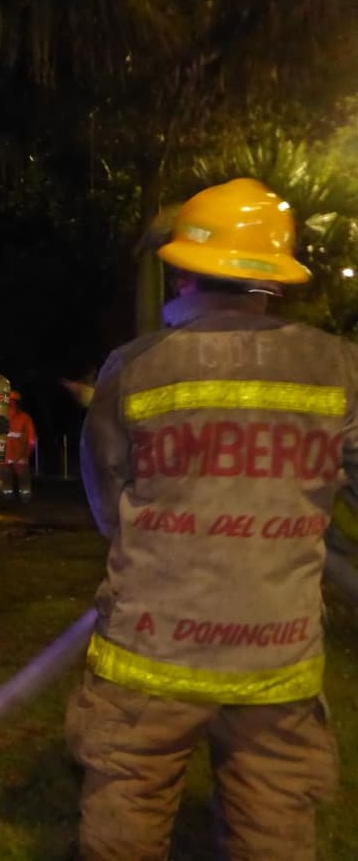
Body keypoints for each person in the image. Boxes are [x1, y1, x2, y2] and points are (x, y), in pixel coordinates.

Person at [71, 178, 358, 859]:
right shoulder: (341, 369)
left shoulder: (132, 369)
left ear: (181, 271)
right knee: (275, 835)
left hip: (148, 657)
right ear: (275, 278)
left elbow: (107, 497)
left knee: (125, 824)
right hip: (277, 664)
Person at [2, 390, 37, 502]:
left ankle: (22, 497)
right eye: (10, 402)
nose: (12, 404)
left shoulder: (24, 418)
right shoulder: (4, 417)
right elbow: (32, 439)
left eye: (13, 402)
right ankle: (10, 497)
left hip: (18, 454)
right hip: (9, 454)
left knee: (22, 479)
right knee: (9, 479)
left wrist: (27, 452)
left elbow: (31, 438)